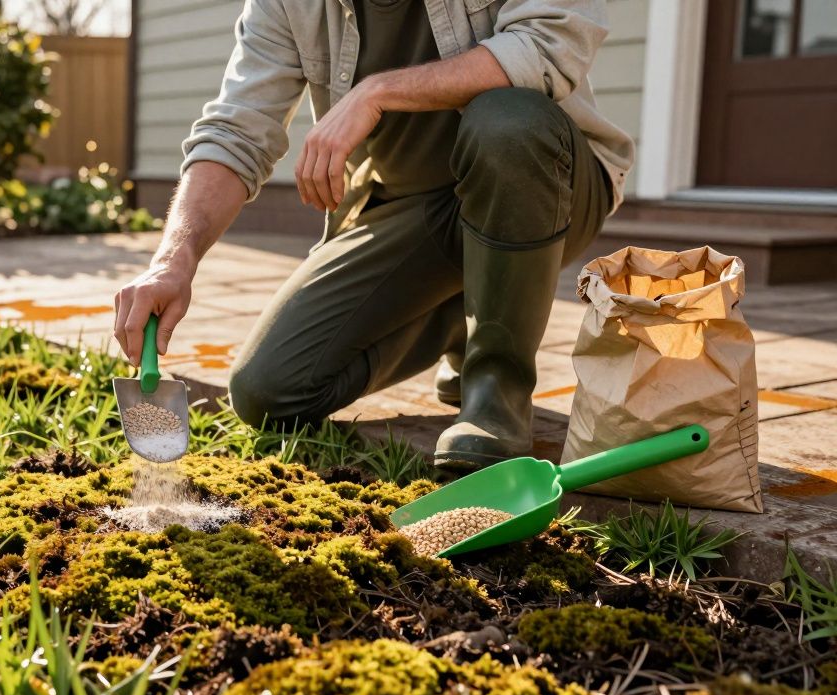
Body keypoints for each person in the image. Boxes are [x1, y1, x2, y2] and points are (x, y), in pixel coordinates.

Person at [112, 0, 633, 471]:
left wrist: (378, 91)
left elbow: (548, 43)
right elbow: (237, 129)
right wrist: (173, 260)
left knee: (509, 119)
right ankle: (468, 314)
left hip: (549, 183)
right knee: (269, 392)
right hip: (406, 211)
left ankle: (497, 395)